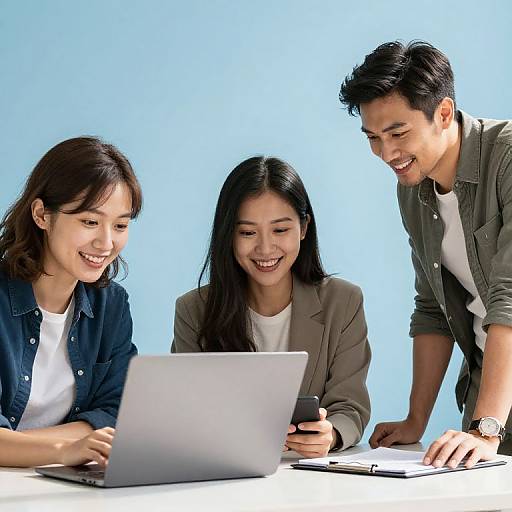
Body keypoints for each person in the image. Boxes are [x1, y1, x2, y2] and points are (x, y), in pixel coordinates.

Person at [339, 40, 512, 467]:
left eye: (398, 133)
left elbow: (509, 300)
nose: (386, 153)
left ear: (444, 114)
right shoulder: (412, 190)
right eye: (373, 138)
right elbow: (432, 307)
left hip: (491, 415)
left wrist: (486, 427)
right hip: (488, 401)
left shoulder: (507, 157)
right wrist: (417, 419)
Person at [172, 156, 371, 457]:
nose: (265, 249)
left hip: (310, 476)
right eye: (247, 232)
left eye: (280, 230)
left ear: (304, 227)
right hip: (225, 475)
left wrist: (330, 435)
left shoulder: (343, 302)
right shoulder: (193, 310)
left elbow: (349, 406)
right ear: (229, 235)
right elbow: (185, 412)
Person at [0, 136, 142, 467]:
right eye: (90, 222)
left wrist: (15, 444)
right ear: (42, 215)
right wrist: (65, 450)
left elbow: (118, 412)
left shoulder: (112, 306)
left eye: (120, 225)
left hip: (66, 487)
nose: (106, 242)